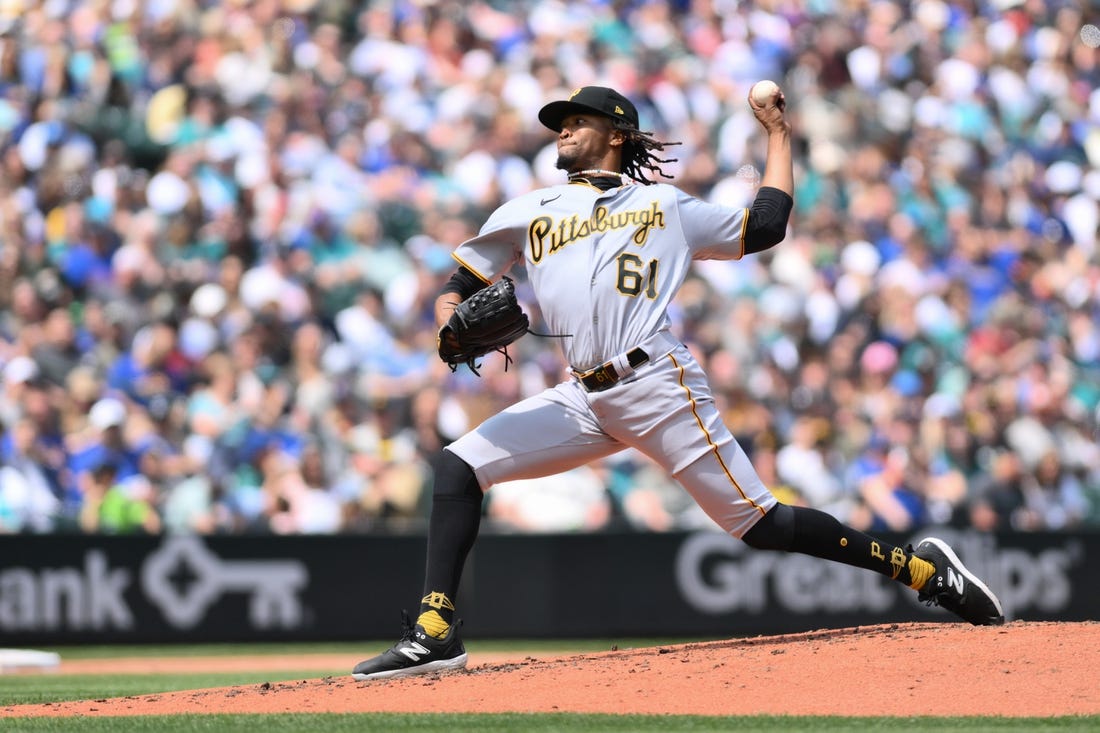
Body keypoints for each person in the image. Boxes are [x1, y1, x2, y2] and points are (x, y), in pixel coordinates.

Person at [351, 85, 1004, 680]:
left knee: (761, 524)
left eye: (575, 121)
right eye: (559, 124)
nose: (561, 132)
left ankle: (921, 568)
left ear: (617, 132)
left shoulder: (665, 205)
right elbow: (461, 282)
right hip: (583, 395)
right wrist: (447, 323)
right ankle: (436, 631)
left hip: (657, 383)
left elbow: (766, 225)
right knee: (457, 466)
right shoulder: (530, 209)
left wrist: (779, 136)